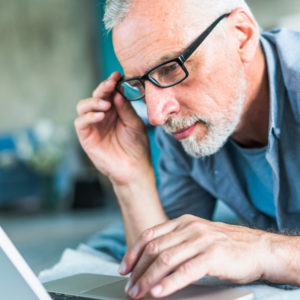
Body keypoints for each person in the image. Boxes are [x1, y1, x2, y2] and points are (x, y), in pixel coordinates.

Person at [74, 0, 300, 298]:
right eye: (140, 85)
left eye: (170, 68)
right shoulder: (184, 128)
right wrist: (130, 178)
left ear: (241, 35)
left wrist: (263, 249)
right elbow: (165, 265)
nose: (155, 114)